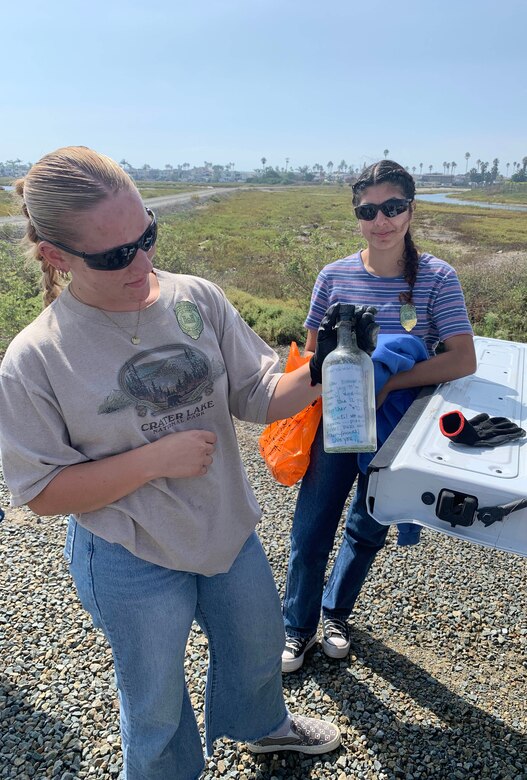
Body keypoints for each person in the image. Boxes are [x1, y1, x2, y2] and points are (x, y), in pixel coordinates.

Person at [0, 146, 359, 779]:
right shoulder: (36, 358)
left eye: (147, 237)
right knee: (156, 701)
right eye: (115, 256)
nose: (142, 263)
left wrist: (324, 368)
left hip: (224, 524)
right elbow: (43, 492)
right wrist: (153, 460)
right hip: (129, 552)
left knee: (256, 646)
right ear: (56, 256)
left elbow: (258, 394)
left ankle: (264, 727)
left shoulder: (197, 298)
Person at [282, 159, 477, 672]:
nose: (381, 220)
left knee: (367, 528)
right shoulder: (333, 276)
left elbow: (462, 358)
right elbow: (311, 355)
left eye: (392, 207)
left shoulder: (437, 278)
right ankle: (296, 627)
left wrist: (386, 381)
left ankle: (335, 615)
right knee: (311, 529)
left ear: (411, 210)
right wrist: (336, 363)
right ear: (357, 216)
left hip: (396, 428)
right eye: (369, 211)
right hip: (336, 421)